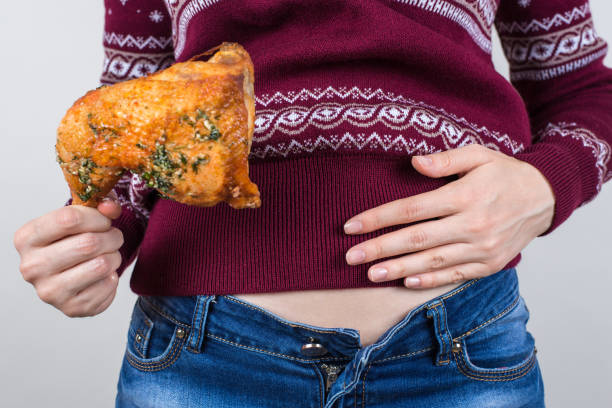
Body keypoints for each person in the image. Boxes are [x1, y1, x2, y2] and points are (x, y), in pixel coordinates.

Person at [13, 0, 612, 406]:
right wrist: (93, 243)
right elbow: (130, 110)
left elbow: (584, 87)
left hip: (459, 351)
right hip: (205, 356)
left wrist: (546, 185)